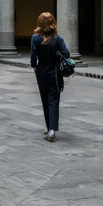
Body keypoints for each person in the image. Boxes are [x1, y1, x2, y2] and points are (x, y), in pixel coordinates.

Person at [30, 12, 69, 142]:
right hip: (55, 71)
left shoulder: (35, 38)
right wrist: (57, 55)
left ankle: (49, 127)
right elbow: (67, 54)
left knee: (45, 100)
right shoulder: (57, 38)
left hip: (41, 71)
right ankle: (51, 130)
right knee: (53, 101)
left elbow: (33, 58)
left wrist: (35, 67)